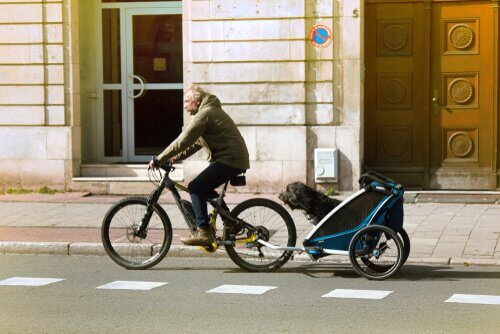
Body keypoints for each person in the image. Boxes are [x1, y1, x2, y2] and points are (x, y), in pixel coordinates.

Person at [148, 86, 250, 246]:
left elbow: (183, 141)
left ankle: (203, 232)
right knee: (204, 188)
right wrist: (175, 158)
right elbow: (195, 144)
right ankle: (231, 222)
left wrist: (159, 158)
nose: (184, 105)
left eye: (187, 101)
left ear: (198, 101)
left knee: (195, 187)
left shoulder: (205, 114)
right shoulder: (207, 112)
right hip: (232, 158)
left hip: (230, 159)